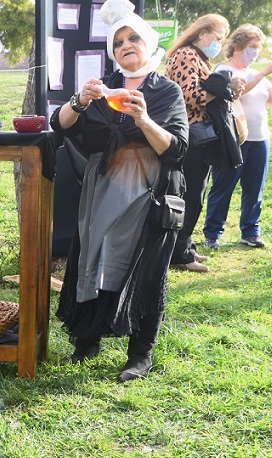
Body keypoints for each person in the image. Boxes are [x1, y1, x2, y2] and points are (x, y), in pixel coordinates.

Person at [49, 0, 189, 382]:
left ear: (148, 42)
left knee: (143, 270)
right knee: (91, 260)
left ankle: (139, 354)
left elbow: (176, 149)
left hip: (148, 196)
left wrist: (142, 118)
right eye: (118, 42)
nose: (126, 45)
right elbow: (59, 125)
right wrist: (79, 100)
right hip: (99, 193)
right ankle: (86, 339)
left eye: (134, 39)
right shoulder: (103, 89)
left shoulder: (165, 92)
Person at [164, 14, 244, 272]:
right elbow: (191, 96)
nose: (219, 43)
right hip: (190, 135)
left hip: (199, 136)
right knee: (189, 195)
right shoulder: (187, 54)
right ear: (201, 33)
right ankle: (180, 254)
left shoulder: (199, 57)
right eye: (217, 37)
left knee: (196, 195)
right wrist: (224, 89)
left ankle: (186, 248)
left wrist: (228, 90)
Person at [203, 25, 272, 250]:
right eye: (252, 47)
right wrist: (263, 72)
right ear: (237, 47)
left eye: (258, 47)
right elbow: (235, 93)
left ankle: (251, 231)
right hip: (233, 140)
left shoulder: (256, 75)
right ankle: (213, 233)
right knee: (223, 187)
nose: (255, 52)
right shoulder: (225, 70)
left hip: (260, 139)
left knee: (255, 188)